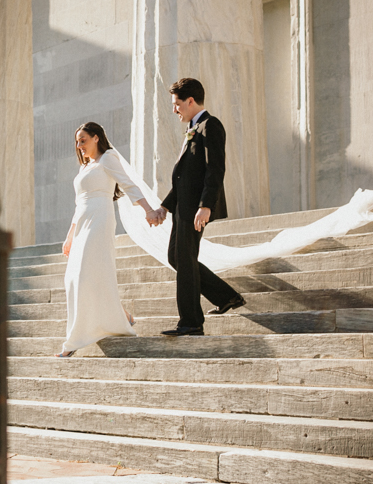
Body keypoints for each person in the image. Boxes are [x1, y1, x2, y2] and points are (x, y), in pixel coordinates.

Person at [148, 78, 245, 336]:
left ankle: (191, 322)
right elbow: (185, 177)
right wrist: (165, 207)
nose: (174, 110)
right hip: (183, 208)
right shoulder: (193, 127)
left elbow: (215, 169)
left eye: (177, 104)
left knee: (185, 259)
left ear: (190, 101)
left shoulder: (210, 125)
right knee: (176, 257)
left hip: (195, 209)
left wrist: (206, 205)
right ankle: (226, 297)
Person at [56, 122, 160, 356]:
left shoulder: (108, 158)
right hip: (82, 223)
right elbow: (78, 205)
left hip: (100, 220)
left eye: (83, 140)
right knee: (73, 277)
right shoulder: (85, 167)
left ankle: (74, 341)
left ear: (96, 138)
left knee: (85, 275)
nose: (79, 145)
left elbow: (128, 185)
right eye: (77, 141)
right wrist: (70, 235)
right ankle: (123, 316)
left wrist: (148, 210)